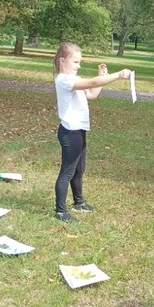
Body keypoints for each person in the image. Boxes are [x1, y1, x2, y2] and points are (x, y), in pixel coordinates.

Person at [53, 42, 132, 222]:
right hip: (70, 132)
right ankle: (60, 211)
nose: (78, 66)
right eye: (75, 62)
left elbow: (92, 94)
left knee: (79, 169)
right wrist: (118, 75)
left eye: (79, 62)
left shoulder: (74, 78)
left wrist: (102, 76)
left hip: (79, 131)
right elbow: (92, 83)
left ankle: (79, 202)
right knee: (67, 172)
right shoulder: (64, 80)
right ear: (62, 61)